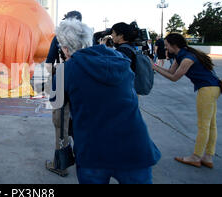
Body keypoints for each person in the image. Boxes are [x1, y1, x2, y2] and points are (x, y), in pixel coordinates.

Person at [56, 19, 161, 184]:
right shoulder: (119, 59)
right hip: (135, 146)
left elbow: (58, 108)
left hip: (93, 151)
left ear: (66, 48)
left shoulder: (66, 70)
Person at [152, 33, 221, 169]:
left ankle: (196, 157)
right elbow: (170, 72)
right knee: (211, 125)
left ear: (174, 45)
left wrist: (154, 67)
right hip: (213, 88)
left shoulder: (188, 58)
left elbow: (174, 78)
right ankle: (208, 157)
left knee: (204, 125)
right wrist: (154, 66)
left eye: (167, 45)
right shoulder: (181, 55)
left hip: (207, 90)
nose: (165, 48)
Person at [45, 12, 83, 177]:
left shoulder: (58, 38)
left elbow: (48, 64)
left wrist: (57, 74)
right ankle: (83, 160)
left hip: (62, 85)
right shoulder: (87, 37)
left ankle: (61, 165)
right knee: (82, 125)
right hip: (85, 88)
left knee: (61, 126)